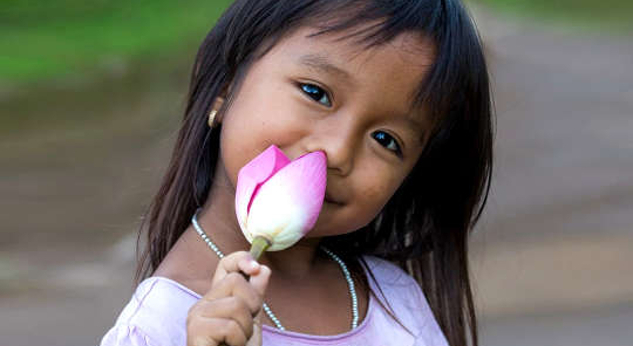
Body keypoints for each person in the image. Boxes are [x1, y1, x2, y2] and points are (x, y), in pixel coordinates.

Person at [101, 0, 493, 345]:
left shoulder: (396, 302)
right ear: (224, 84)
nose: (337, 151)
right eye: (316, 93)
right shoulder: (157, 328)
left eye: (386, 140)